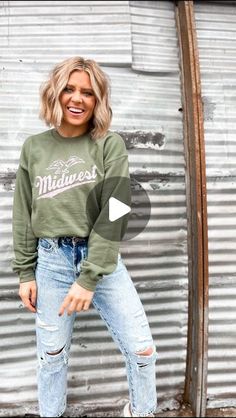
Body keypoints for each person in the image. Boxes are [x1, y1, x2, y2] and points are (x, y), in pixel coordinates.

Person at [12, 56, 157, 417]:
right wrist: (26, 272)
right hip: (50, 262)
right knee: (52, 356)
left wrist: (90, 276)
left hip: (102, 262)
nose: (77, 99)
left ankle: (142, 412)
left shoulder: (109, 145)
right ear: (56, 94)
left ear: (98, 101)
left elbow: (118, 209)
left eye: (88, 93)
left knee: (142, 352)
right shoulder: (34, 147)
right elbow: (23, 212)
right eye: (70, 89)